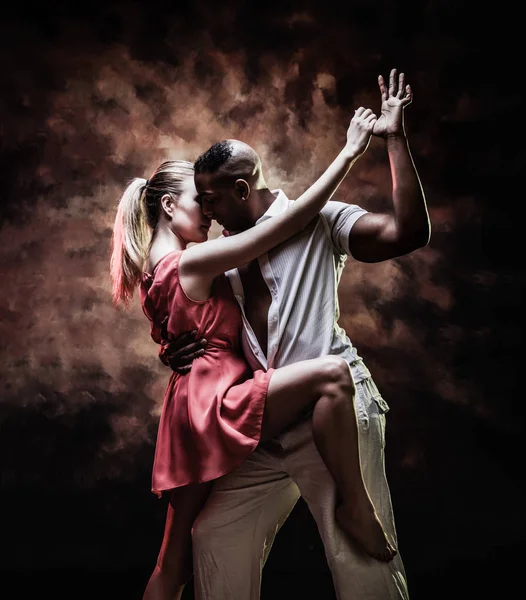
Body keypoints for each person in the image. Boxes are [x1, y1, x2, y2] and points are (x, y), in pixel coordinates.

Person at [111, 105, 399, 600]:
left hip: (202, 409)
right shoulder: (196, 260)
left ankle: (352, 504)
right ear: (168, 208)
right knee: (331, 376)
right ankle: (356, 504)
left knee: (179, 555)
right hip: (222, 408)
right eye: (199, 202)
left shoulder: (160, 272)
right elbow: (277, 230)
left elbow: (181, 330)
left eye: (210, 200)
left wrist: (173, 352)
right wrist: (349, 152)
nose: (208, 212)